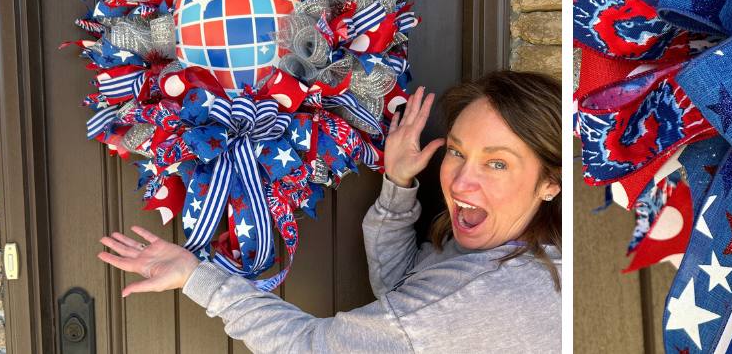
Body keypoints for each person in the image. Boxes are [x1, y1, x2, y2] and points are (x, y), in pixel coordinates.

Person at [97, 70, 564, 352]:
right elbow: (401, 292)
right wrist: (400, 183)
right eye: (458, 151)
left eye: (497, 163)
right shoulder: (519, 254)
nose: (460, 182)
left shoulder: (483, 299)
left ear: (550, 182)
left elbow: (310, 348)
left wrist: (195, 275)